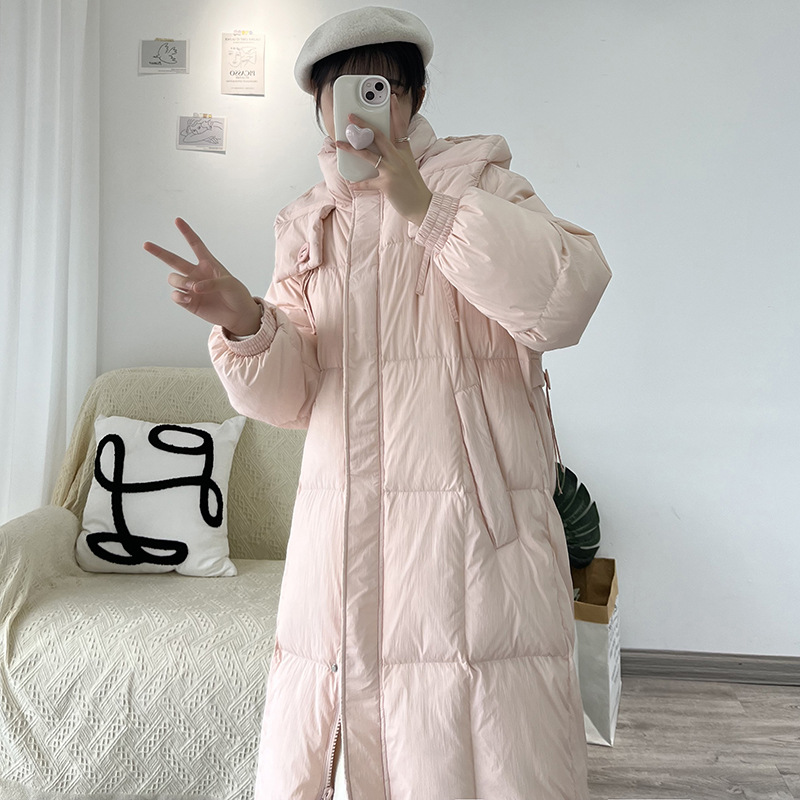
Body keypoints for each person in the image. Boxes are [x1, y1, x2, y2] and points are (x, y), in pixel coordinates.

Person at [144, 6, 612, 799]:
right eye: (342, 92)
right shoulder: (309, 224)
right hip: (340, 536)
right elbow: (293, 398)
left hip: (469, 542)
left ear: (415, 96)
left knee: (475, 749)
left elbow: (566, 302)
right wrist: (246, 322)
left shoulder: (481, 185)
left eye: (382, 88)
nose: (362, 109)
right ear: (319, 108)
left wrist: (428, 209)